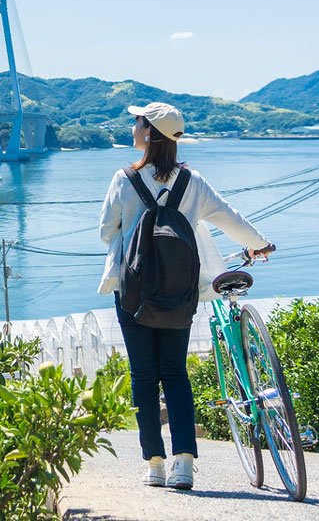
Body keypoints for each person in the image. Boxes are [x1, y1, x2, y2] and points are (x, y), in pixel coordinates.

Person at [98, 101, 274, 491]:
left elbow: (107, 232)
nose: (133, 126)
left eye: (137, 121)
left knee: (144, 376)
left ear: (148, 133)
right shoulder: (192, 181)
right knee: (175, 373)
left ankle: (155, 465)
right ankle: (185, 465)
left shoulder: (124, 178)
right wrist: (260, 244)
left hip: (134, 293)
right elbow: (228, 217)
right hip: (180, 294)